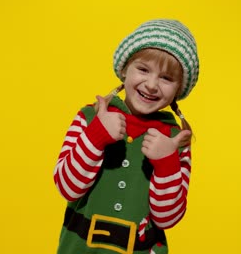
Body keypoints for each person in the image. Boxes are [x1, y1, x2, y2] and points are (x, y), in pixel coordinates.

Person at [53, 19, 199, 254]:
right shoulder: (90, 117)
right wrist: (97, 135)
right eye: (143, 69)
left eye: (166, 78)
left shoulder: (175, 139)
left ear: (179, 89)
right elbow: (67, 188)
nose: (151, 85)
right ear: (124, 69)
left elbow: (167, 219)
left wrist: (167, 162)